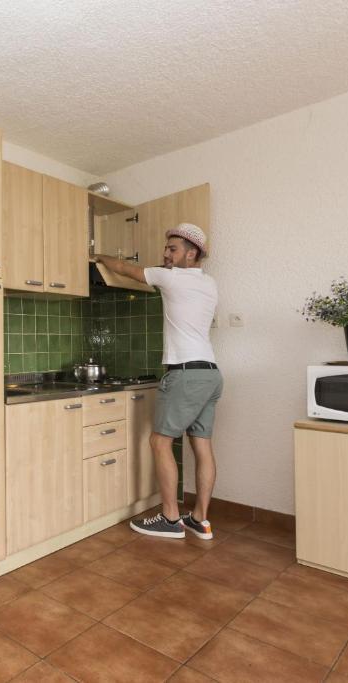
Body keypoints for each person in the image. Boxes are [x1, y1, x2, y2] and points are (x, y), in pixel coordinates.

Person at [94, 223, 221, 540]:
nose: (165, 254)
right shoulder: (209, 284)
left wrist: (98, 255)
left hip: (185, 374)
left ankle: (170, 518)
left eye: (172, 249)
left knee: (159, 442)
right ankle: (200, 519)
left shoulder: (171, 277)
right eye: (166, 248)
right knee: (202, 445)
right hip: (211, 373)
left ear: (191, 254)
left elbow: (125, 269)